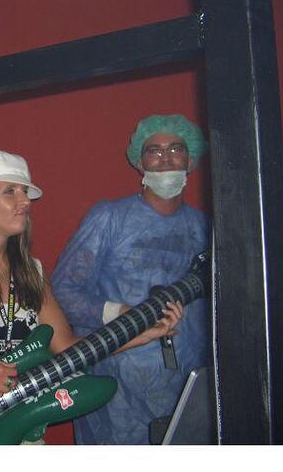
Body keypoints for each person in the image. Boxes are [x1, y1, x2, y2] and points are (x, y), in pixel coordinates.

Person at [0, 150, 183, 441]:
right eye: (10, 191)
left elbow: (66, 347)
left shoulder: (31, 272)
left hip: (23, 430)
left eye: (25, 192)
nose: (25, 201)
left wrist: (142, 334)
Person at [51, 114, 211, 444]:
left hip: (188, 383)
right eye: (154, 150)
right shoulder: (110, 218)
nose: (165, 158)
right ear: (140, 162)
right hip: (117, 386)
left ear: (191, 160)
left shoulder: (205, 229)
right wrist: (119, 312)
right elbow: (63, 291)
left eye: (176, 149)